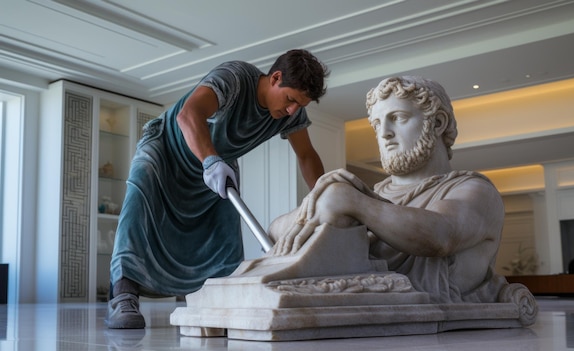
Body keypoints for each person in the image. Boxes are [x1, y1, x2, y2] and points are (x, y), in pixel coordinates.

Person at [106, 49, 330, 329]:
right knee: (139, 203)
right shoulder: (234, 78)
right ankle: (123, 295)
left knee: (223, 234)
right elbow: (188, 115)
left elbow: (307, 155)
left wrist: (324, 198)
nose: (292, 110)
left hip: (213, 163)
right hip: (167, 152)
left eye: (300, 105)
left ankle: (221, 299)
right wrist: (211, 161)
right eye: (290, 100)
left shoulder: (291, 115)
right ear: (275, 77)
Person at [268, 75, 508, 304]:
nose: (384, 133)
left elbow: (442, 235)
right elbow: (274, 230)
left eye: (399, 117)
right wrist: (325, 199)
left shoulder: (474, 190)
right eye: (377, 123)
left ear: (437, 123)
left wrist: (354, 203)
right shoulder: (368, 195)